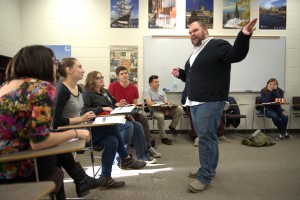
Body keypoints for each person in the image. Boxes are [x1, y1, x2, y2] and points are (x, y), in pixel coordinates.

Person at [171, 18, 258, 192]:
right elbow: (193, 76)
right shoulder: (196, 52)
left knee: (205, 138)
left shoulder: (217, 45)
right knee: (208, 137)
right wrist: (182, 73)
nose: (192, 34)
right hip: (194, 101)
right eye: (189, 32)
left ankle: (205, 176)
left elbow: (235, 55)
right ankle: (208, 168)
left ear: (205, 30)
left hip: (210, 101)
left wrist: (244, 35)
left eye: (194, 30)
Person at [0, 45, 91, 199]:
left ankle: (82, 180)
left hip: (4, 160)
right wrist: (74, 132)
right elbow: (39, 142)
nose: (56, 67)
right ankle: (81, 180)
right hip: (17, 166)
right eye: (54, 62)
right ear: (43, 63)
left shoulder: (4, 86)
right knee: (56, 166)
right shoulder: (41, 88)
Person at [52, 58, 132, 193]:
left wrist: (85, 119)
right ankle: (125, 158)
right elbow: (56, 122)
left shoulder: (78, 88)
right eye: (80, 67)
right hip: (69, 134)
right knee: (113, 127)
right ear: (69, 70)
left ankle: (106, 178)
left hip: (83, 128)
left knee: (112, 140)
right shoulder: (62, 90)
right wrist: (81, 118)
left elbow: (85, 112)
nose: (83, 70)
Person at [81, 71, 156, 165]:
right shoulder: (87, 93)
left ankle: (143, 156)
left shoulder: (105, 91)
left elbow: (113, 105)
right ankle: (121, 159)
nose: (101, 79)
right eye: (98, 78)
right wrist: (102, 108)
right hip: (99, 121)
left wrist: (123, 112)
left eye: (102, 77)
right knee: (128, 126)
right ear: (91, 80)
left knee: (137, 125)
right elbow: (84, 110)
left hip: (112, 117)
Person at [108, 66, 161, 158]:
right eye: (122, 74)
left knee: (143, 118)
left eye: (126, 73)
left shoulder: (134, 88)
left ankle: (148, 147)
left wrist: (138, 107)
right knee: (131, 122)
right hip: (118, 113)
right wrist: (118, 104)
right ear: (118, 76)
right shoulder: (112, 86)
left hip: (130, 112)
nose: (124, 75)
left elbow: (134, 105)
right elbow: (109, 104)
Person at [144, 75, 184, 145]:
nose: (158, 83)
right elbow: (149, 103)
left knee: (180, 109)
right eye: (155, 82)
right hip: (154, 110)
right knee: (161, 116)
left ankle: (172, 126)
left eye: (158, 82)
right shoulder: (147, 92)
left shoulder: (162, 92)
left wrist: (167, 106)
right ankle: (163, 137)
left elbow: (165, 102)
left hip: (163, 109)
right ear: (150, 84)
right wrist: (161, 106)